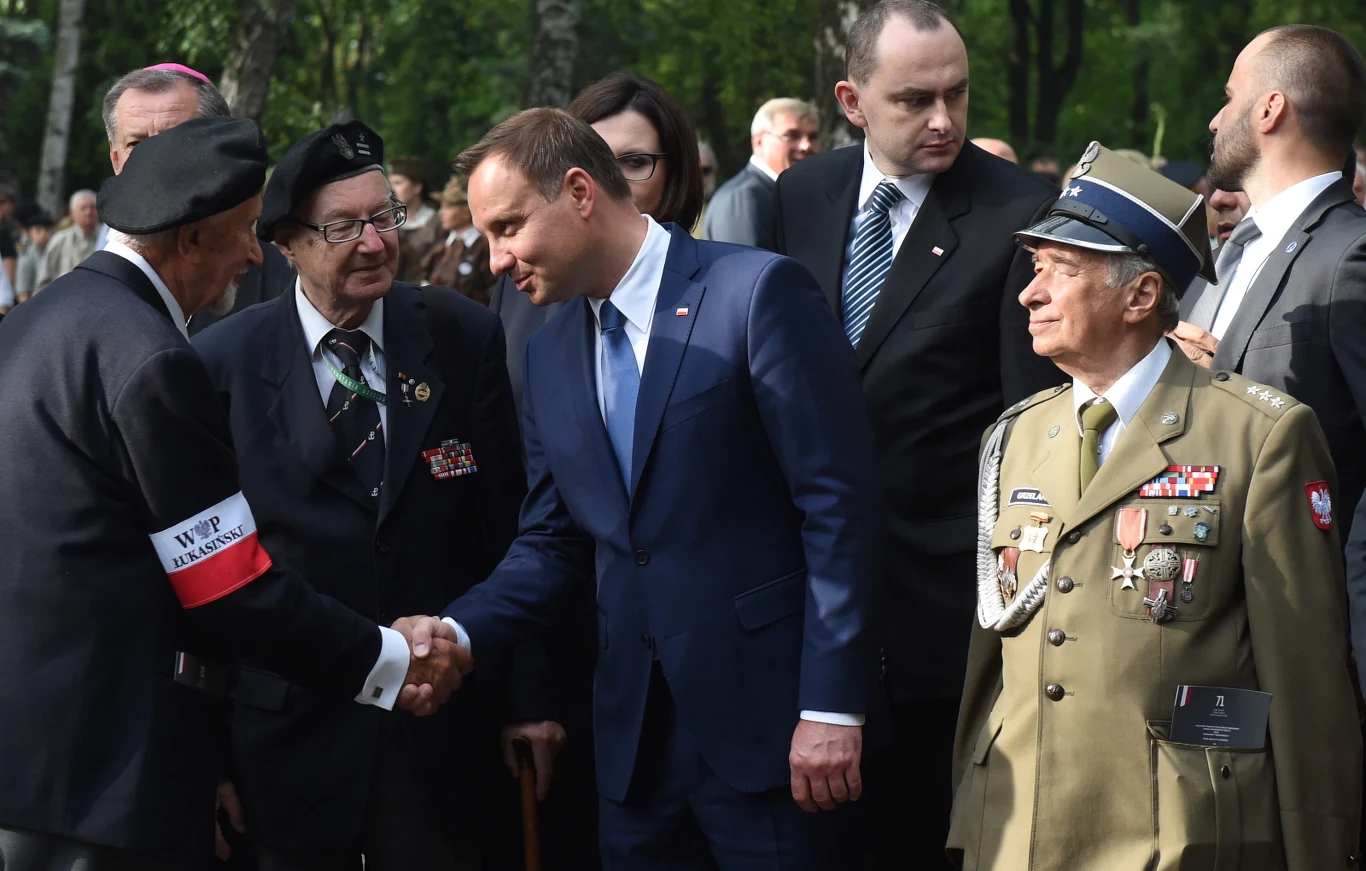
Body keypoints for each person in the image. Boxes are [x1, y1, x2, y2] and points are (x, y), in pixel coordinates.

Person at [0, 115, 465, 871]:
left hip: (35, 764)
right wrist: (387, 657)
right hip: (105, 778)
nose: (255, 254)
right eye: (246, 230)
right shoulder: (151, 356)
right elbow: (227, 583)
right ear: (190, 239)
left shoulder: (38, 321)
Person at [429, 106, 883, 869]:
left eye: (508, 227)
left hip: (780, 738)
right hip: (633, 755)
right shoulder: (546, 354)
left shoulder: (755, 293)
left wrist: (832, 704)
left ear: (580, 192)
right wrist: (458, 633)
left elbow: (840, 507)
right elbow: (553, 542)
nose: (497, 259)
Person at [947, 140, 1361, 871]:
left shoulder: (1258, 436)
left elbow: (1306, 683)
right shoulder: (1015, 437)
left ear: (1140, 297)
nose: (1030, 295)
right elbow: (991, 666)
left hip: (1176, 834)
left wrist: (1319, 851)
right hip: (1019, 832)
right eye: (1036, 269)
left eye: (1060, 270)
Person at [193, 120, 544, 871]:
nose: (375, 243)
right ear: (286, 242)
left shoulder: (461, 334)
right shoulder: (221, 363)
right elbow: (202, 580)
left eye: (384, 216)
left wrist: (528, 701)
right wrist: (205, 757)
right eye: (343, 226)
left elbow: (514, 533)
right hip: (284, 746)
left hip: (441, 737)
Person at [772, 2, 1060, 865]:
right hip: (809, 605)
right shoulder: (804, 194)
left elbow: (1033, 430)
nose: (944, 119)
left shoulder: (1021, 209)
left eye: (957, 94)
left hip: (945, 619)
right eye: (914, 100)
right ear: (852, 101)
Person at [491, 71, 705, 418]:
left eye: (634, 162)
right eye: (593, 164)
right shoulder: (519, 290)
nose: (607, 182)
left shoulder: (730, 293)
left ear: (675, 175)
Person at [100, 64, 296, 334]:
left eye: (178, 142)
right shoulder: (91, 291)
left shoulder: (284, 284)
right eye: (136, 145)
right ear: (115, 160)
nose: (155, 164)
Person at [701, 97, 819, 250]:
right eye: (792, 136)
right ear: (758, 142)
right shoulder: (744, 198)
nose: (806, 146)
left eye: (813, 137)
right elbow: (745, 264)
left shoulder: (781, 192)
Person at [420, 175, 496, 304]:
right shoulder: (442, 246)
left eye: (448, 207)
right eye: (441, 207)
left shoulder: (485, 247)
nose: (441, 213)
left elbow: (492, 291)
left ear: (467, 211)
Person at [33, 190, 101, 293]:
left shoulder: (108, 239)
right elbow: (44, 280)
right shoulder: (60, 240)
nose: (88, 212)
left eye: (92, 207)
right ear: (72, 214)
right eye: (83, 208)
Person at [390, 155, 442, 285]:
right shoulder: (389, 221)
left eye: (398, 183)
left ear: (417, 187)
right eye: (392, 183)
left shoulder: (437, 223)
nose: (393, 190)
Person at [14, 208, 53, 303]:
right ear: (30, 233)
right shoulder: (27, 257)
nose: (43, 234)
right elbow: (23, 294)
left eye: (47, 230)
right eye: (38, 230)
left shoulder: (54, 251)